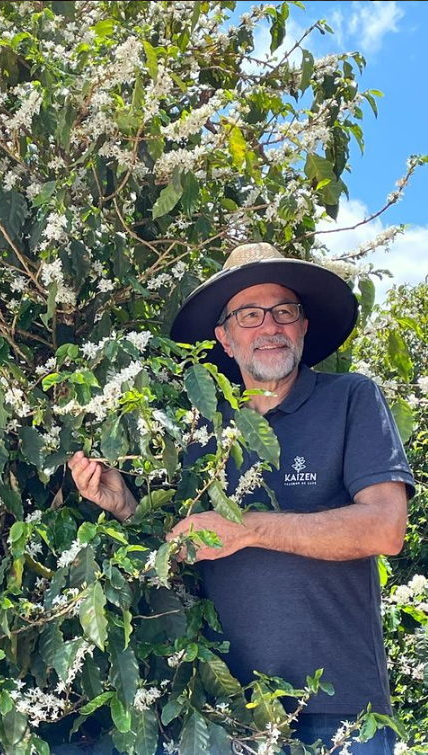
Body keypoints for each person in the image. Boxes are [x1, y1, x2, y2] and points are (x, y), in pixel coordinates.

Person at [69, 242, 414, 753]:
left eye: (283, 311)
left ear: (303, 326)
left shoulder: (351, 399)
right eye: (249, 315)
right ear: (225, 339)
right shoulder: (200, 431)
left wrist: (248, 528)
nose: (269, 326)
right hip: (230, 716)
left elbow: (386, 527)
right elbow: (185, 547)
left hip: (341, 713)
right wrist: (125, 506)